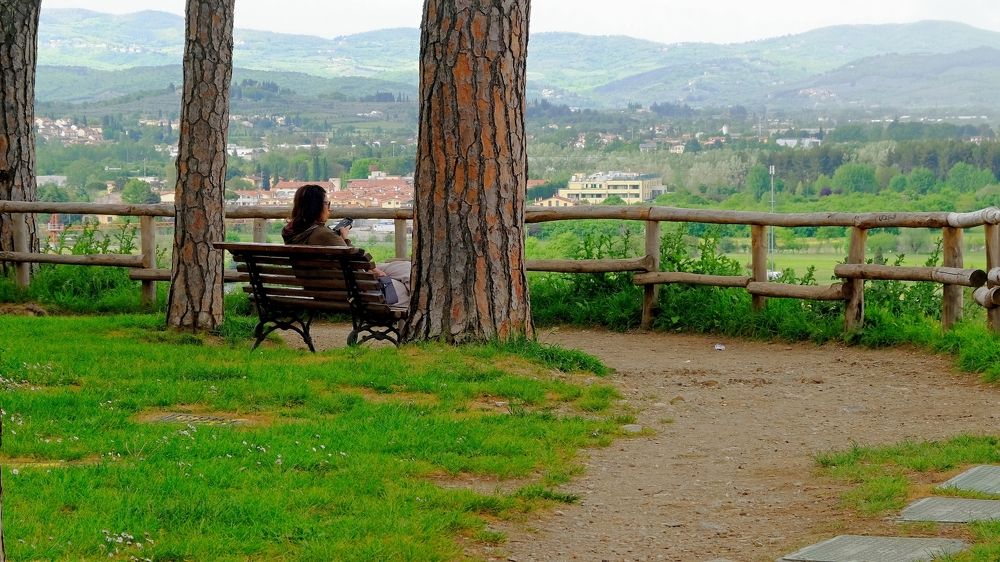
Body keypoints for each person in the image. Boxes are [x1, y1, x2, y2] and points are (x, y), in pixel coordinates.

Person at [281, 184, 411, 307]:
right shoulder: (322, 234)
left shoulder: (292, 233)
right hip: (353, 289)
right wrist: (345, 238)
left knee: (407, 268)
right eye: (327, 203)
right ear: (315, 207)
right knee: (408, 285)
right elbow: (356, 261)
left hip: (326, 285)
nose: (329, 208)